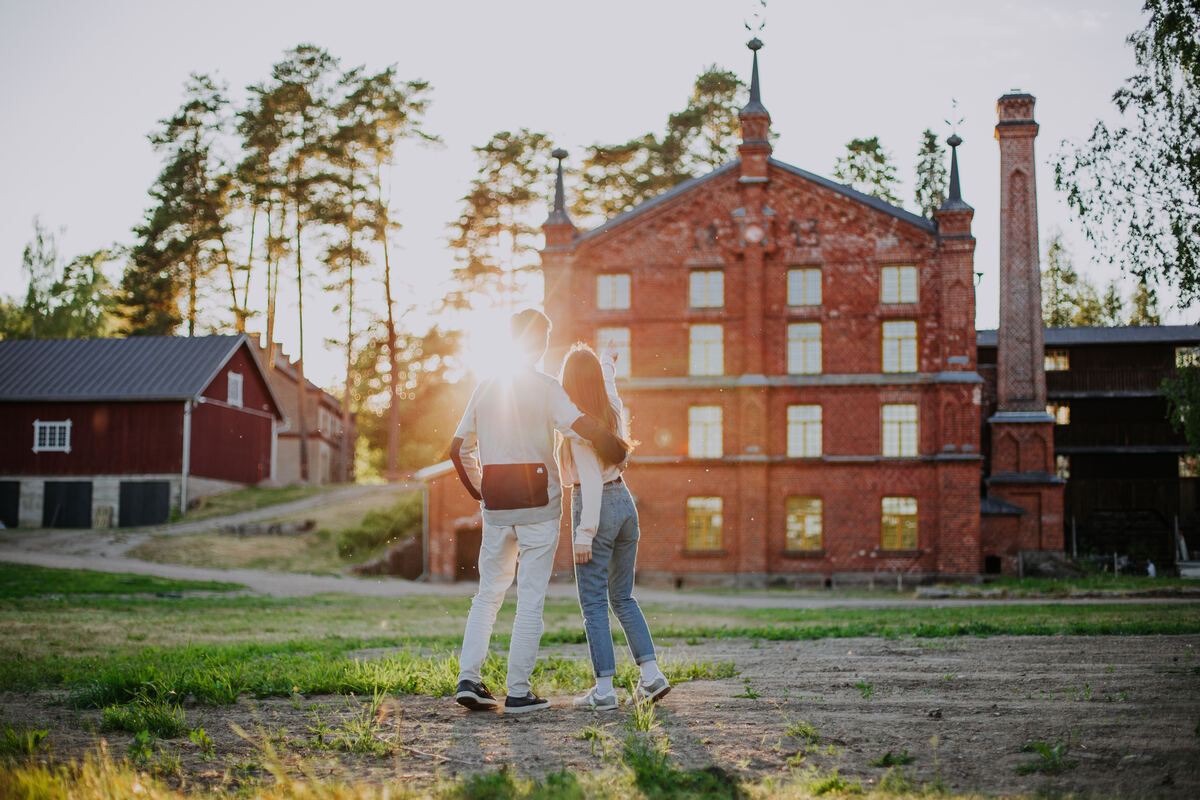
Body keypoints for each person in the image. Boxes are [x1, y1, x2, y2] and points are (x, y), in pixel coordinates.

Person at [449, 309, 629, 714]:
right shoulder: (546, 387)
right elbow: (579, 425)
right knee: (529, 600)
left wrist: (483, 493)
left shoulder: (485, 386)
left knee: (486, 596)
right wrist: (616, 447)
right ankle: (518, 691)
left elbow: (457, 449)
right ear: (543, 343)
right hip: (540, 509)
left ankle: (469, 679)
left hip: (497, 510)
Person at [557, 343, 669, 711]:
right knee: (622, 597)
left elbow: (588, 480)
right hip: (625, 505)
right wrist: (607, 360)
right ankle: (652, 676)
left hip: (597, 508)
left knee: (592, 603)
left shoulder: (579, 429)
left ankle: (604, 691)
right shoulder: (613, 411)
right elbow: (610, 385)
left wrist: (584, 533)